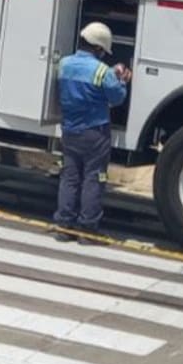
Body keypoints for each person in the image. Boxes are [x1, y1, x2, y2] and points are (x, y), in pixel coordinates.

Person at [53, 21, 131, 241]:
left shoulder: (64, 64)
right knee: (94, 178)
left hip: (69, 130)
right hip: (95, 132)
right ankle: (87, 229)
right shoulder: (102, 71)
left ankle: (63, 226)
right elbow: (117, 98)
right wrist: (121, 80)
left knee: (69, 177)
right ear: (98, 48)